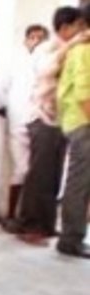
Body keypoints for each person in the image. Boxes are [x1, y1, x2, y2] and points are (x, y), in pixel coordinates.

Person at [4, 6, 90, 243]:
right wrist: (72, 45)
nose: (81, 32)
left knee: (51, 175)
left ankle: (45, 224)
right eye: (77, 27)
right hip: (42, 116)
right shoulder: (50, 48)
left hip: (58, 118)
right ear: (64, 28)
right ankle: (32, 224)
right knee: (40, 175)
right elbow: (46, 71)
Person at [0, 24, 50, 219]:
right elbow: (1, 87)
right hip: (17, 117)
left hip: (42, 119)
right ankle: (11, 214)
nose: (36, 41)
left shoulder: (48, 60)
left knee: (37, 171)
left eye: (41, 38)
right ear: (25, 39)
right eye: (32, 37)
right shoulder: (14, 59)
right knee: (21, 168)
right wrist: (1, 107)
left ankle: (30, 216)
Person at [56, 30, 90, 258]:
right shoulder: (82, 51)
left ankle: (74, 236)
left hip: (80, 121)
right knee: (80, 181)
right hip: (83, 122)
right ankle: (71, 238)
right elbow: (84, 94)